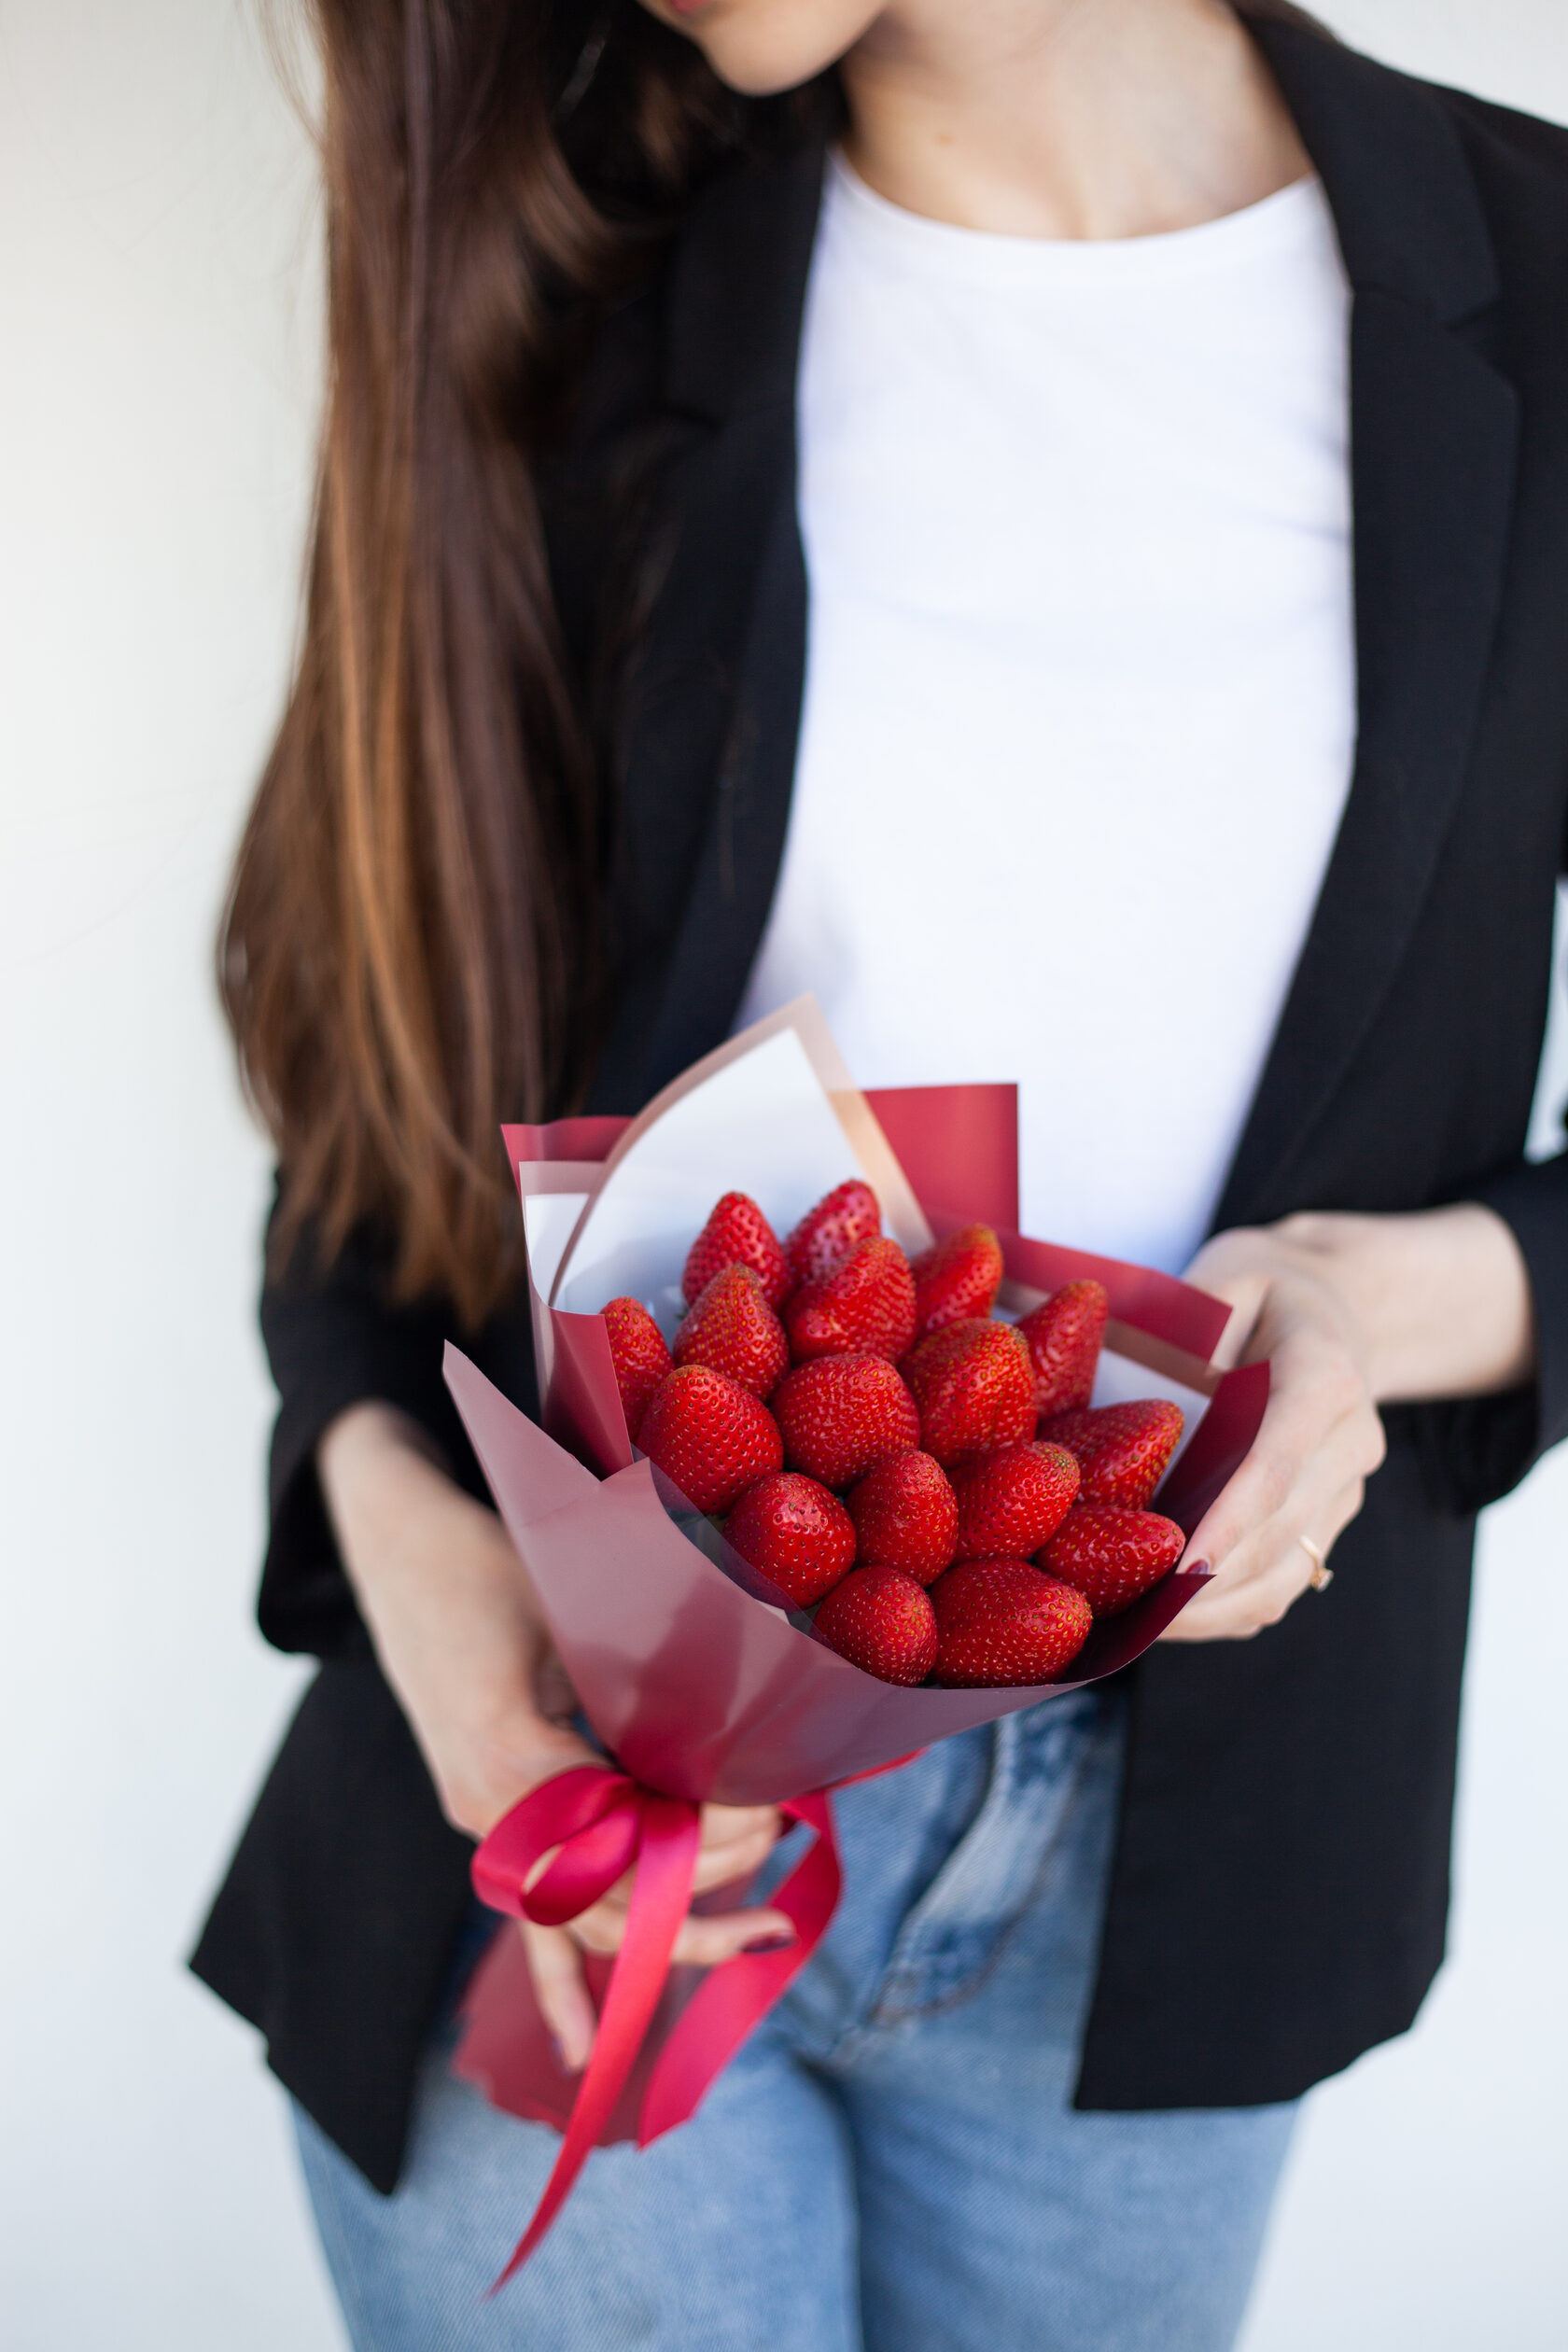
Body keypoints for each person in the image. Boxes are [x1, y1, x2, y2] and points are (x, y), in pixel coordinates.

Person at [192, 2, 1568, 2345]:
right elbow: (381, 1110)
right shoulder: (568, 287)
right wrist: (437, 1616)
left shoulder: (1537, 277)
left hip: (1189, 1883)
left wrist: (1378, 1304)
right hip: (572, 1819)